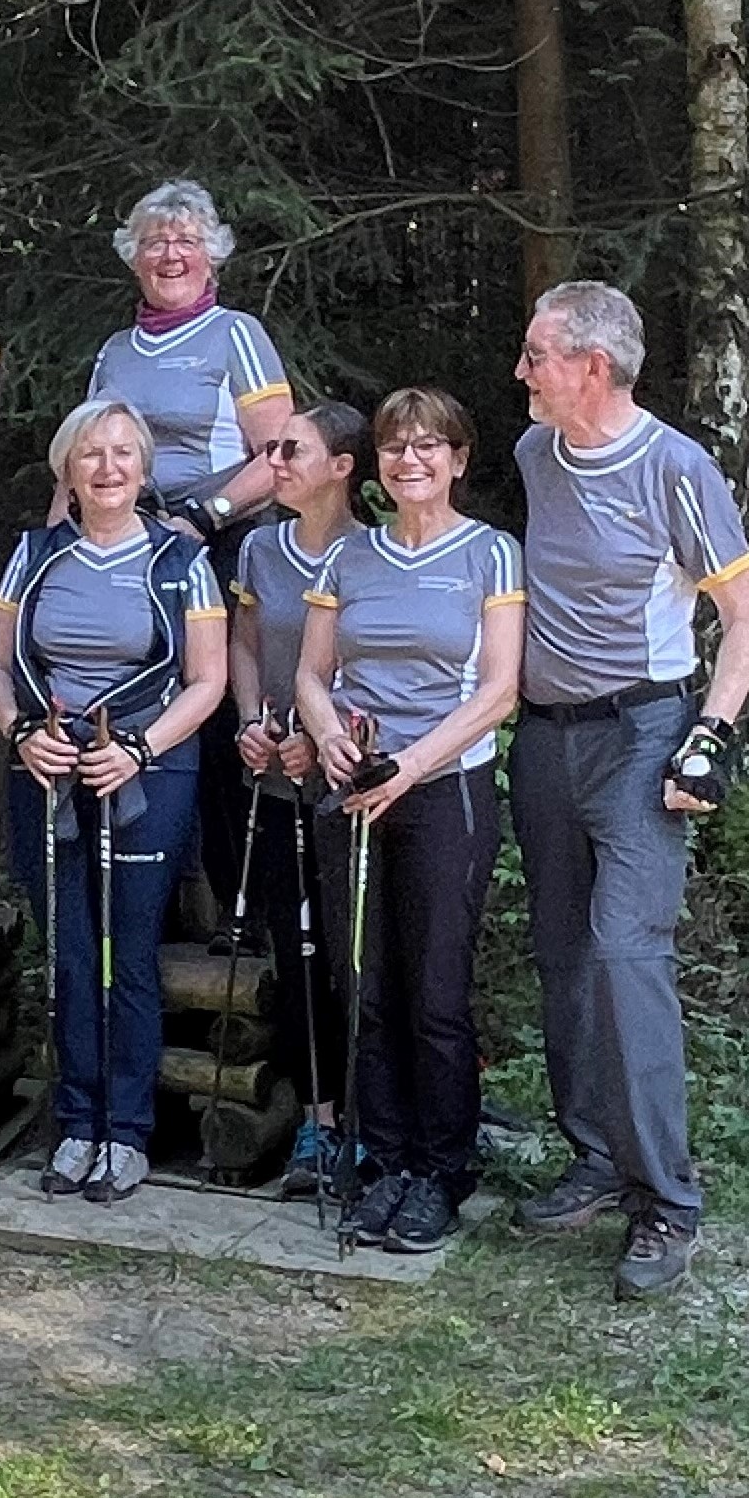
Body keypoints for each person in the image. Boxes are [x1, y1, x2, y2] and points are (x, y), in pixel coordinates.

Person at [507, 281, 749, 1300]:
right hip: (543, 738)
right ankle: (596, 1160)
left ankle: (669, 1203)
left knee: (627, 957)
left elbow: (746, 617)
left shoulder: (675, 468)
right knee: (565, 957)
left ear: (593, 367)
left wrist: (710, 737)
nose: (521, 373)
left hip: (643, 738)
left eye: (536, 356)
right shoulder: (537, 456)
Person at [0, 398, 229, 1203]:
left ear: (144, 467)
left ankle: (125, 1132)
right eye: (91, 454)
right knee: (71, 952)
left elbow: (208, 680)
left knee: (128, 954)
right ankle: (74, 1122)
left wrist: (139, 748)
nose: (108, 467)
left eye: (123, 453)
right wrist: (20, 732)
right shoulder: (33, 554)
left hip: (145, 776)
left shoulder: (181, 562)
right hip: (47, 769)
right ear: (67, 470)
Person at [295, 387, 524, 1253]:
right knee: (364, 984)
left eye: (431, 447)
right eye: (396, 447)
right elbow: (314, 675)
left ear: (459, 460)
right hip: (353, 785)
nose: (411, 460)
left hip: (442, 791)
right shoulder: (347, 560)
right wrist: (326, 737)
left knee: (432, 993)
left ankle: (440, 1169)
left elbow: (501, 690)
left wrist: (412, 768)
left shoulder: (490, 555)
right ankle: (383, 1160)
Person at [81, 179, 295, 952]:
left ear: (212, 255)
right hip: (126, 552)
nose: (169, 253)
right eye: (154, 240)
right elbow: (78, 457)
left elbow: (278, 456)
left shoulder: (235, 334)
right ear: (132, 256)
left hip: (219, 545)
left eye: (186, 240)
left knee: (220, 724)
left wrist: (204, 516)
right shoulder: (113, 350)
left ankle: (244, 907)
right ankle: (151, 903)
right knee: (135, 715)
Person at [228, 401, 368, 1197]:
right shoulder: (258, 549)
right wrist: (251, 721)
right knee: (297, 950)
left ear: (341, 466)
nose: (273, 462)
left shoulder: (373, 553)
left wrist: (324, 737)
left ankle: (370, 1117)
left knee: (357, 954)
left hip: (347, 784)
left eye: (291, 450)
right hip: (272, 778)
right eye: (272, 448)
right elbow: (246, 646)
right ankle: (316, 1123)